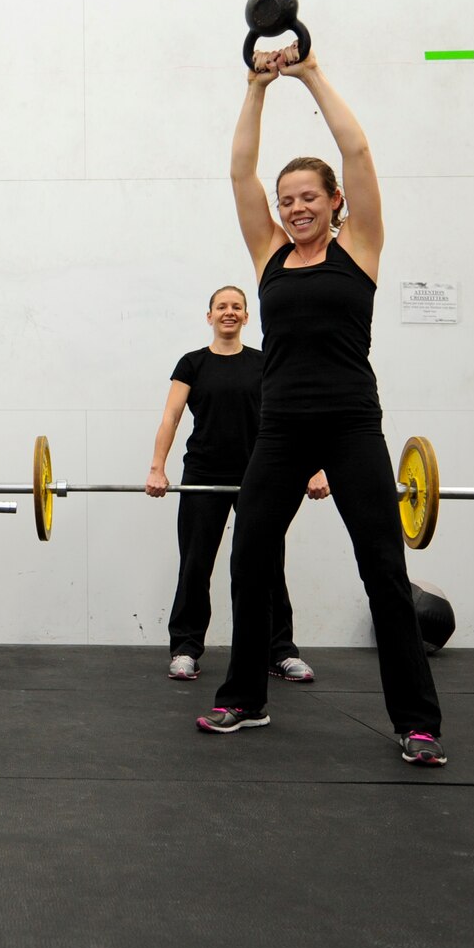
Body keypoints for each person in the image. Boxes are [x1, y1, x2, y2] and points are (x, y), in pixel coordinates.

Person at [198, 42, 445, 766]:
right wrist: (255, 88)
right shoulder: (269, 255)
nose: (296, 207)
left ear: (334, 202)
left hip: (348, 424)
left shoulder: (360, 246)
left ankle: (418, 721)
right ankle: (245, 695)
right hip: (280, 427)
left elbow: (359, 149)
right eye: (288, 200)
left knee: (382, 568)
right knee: (248, 553)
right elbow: (240, 170)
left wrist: (307, 74)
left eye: (310, 196)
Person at [150, 285, 328, 682]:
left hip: (261, 474)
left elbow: (295, 417)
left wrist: (313, 468)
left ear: (247, 317)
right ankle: (185, 648)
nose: (229, 312)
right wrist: (157, 468)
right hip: (204, 474)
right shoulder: (192, 364)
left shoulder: (265, 363)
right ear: (209, 315)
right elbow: (171, 417)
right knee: (195, 564)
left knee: (267, 564)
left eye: (237, 307)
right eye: (221, 306)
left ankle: (279, 650)